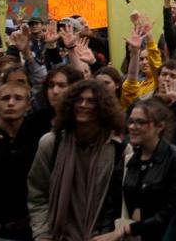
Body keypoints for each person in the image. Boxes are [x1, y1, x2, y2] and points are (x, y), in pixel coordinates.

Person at [27, 79, 128, 241]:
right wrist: (42, 233)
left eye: (91, 101)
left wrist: (113, 234)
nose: (82, 105)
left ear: (103, 107)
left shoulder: (118, 149)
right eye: (78, 100)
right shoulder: (51, 143)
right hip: (57, 235)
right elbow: (37, 193)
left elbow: (120, 202)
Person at [122, 98, 176, 239]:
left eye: (140, 122)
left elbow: (173, 211)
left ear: (159, 126)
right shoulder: (130, 159)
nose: (132, 127)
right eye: (130, 121)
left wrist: (133, 228)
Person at [0, 81, 38, 239]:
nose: (11, 103)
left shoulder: (37, 138)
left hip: (27, 230)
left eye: (18, 98)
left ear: (29, 105)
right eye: (5, 98)